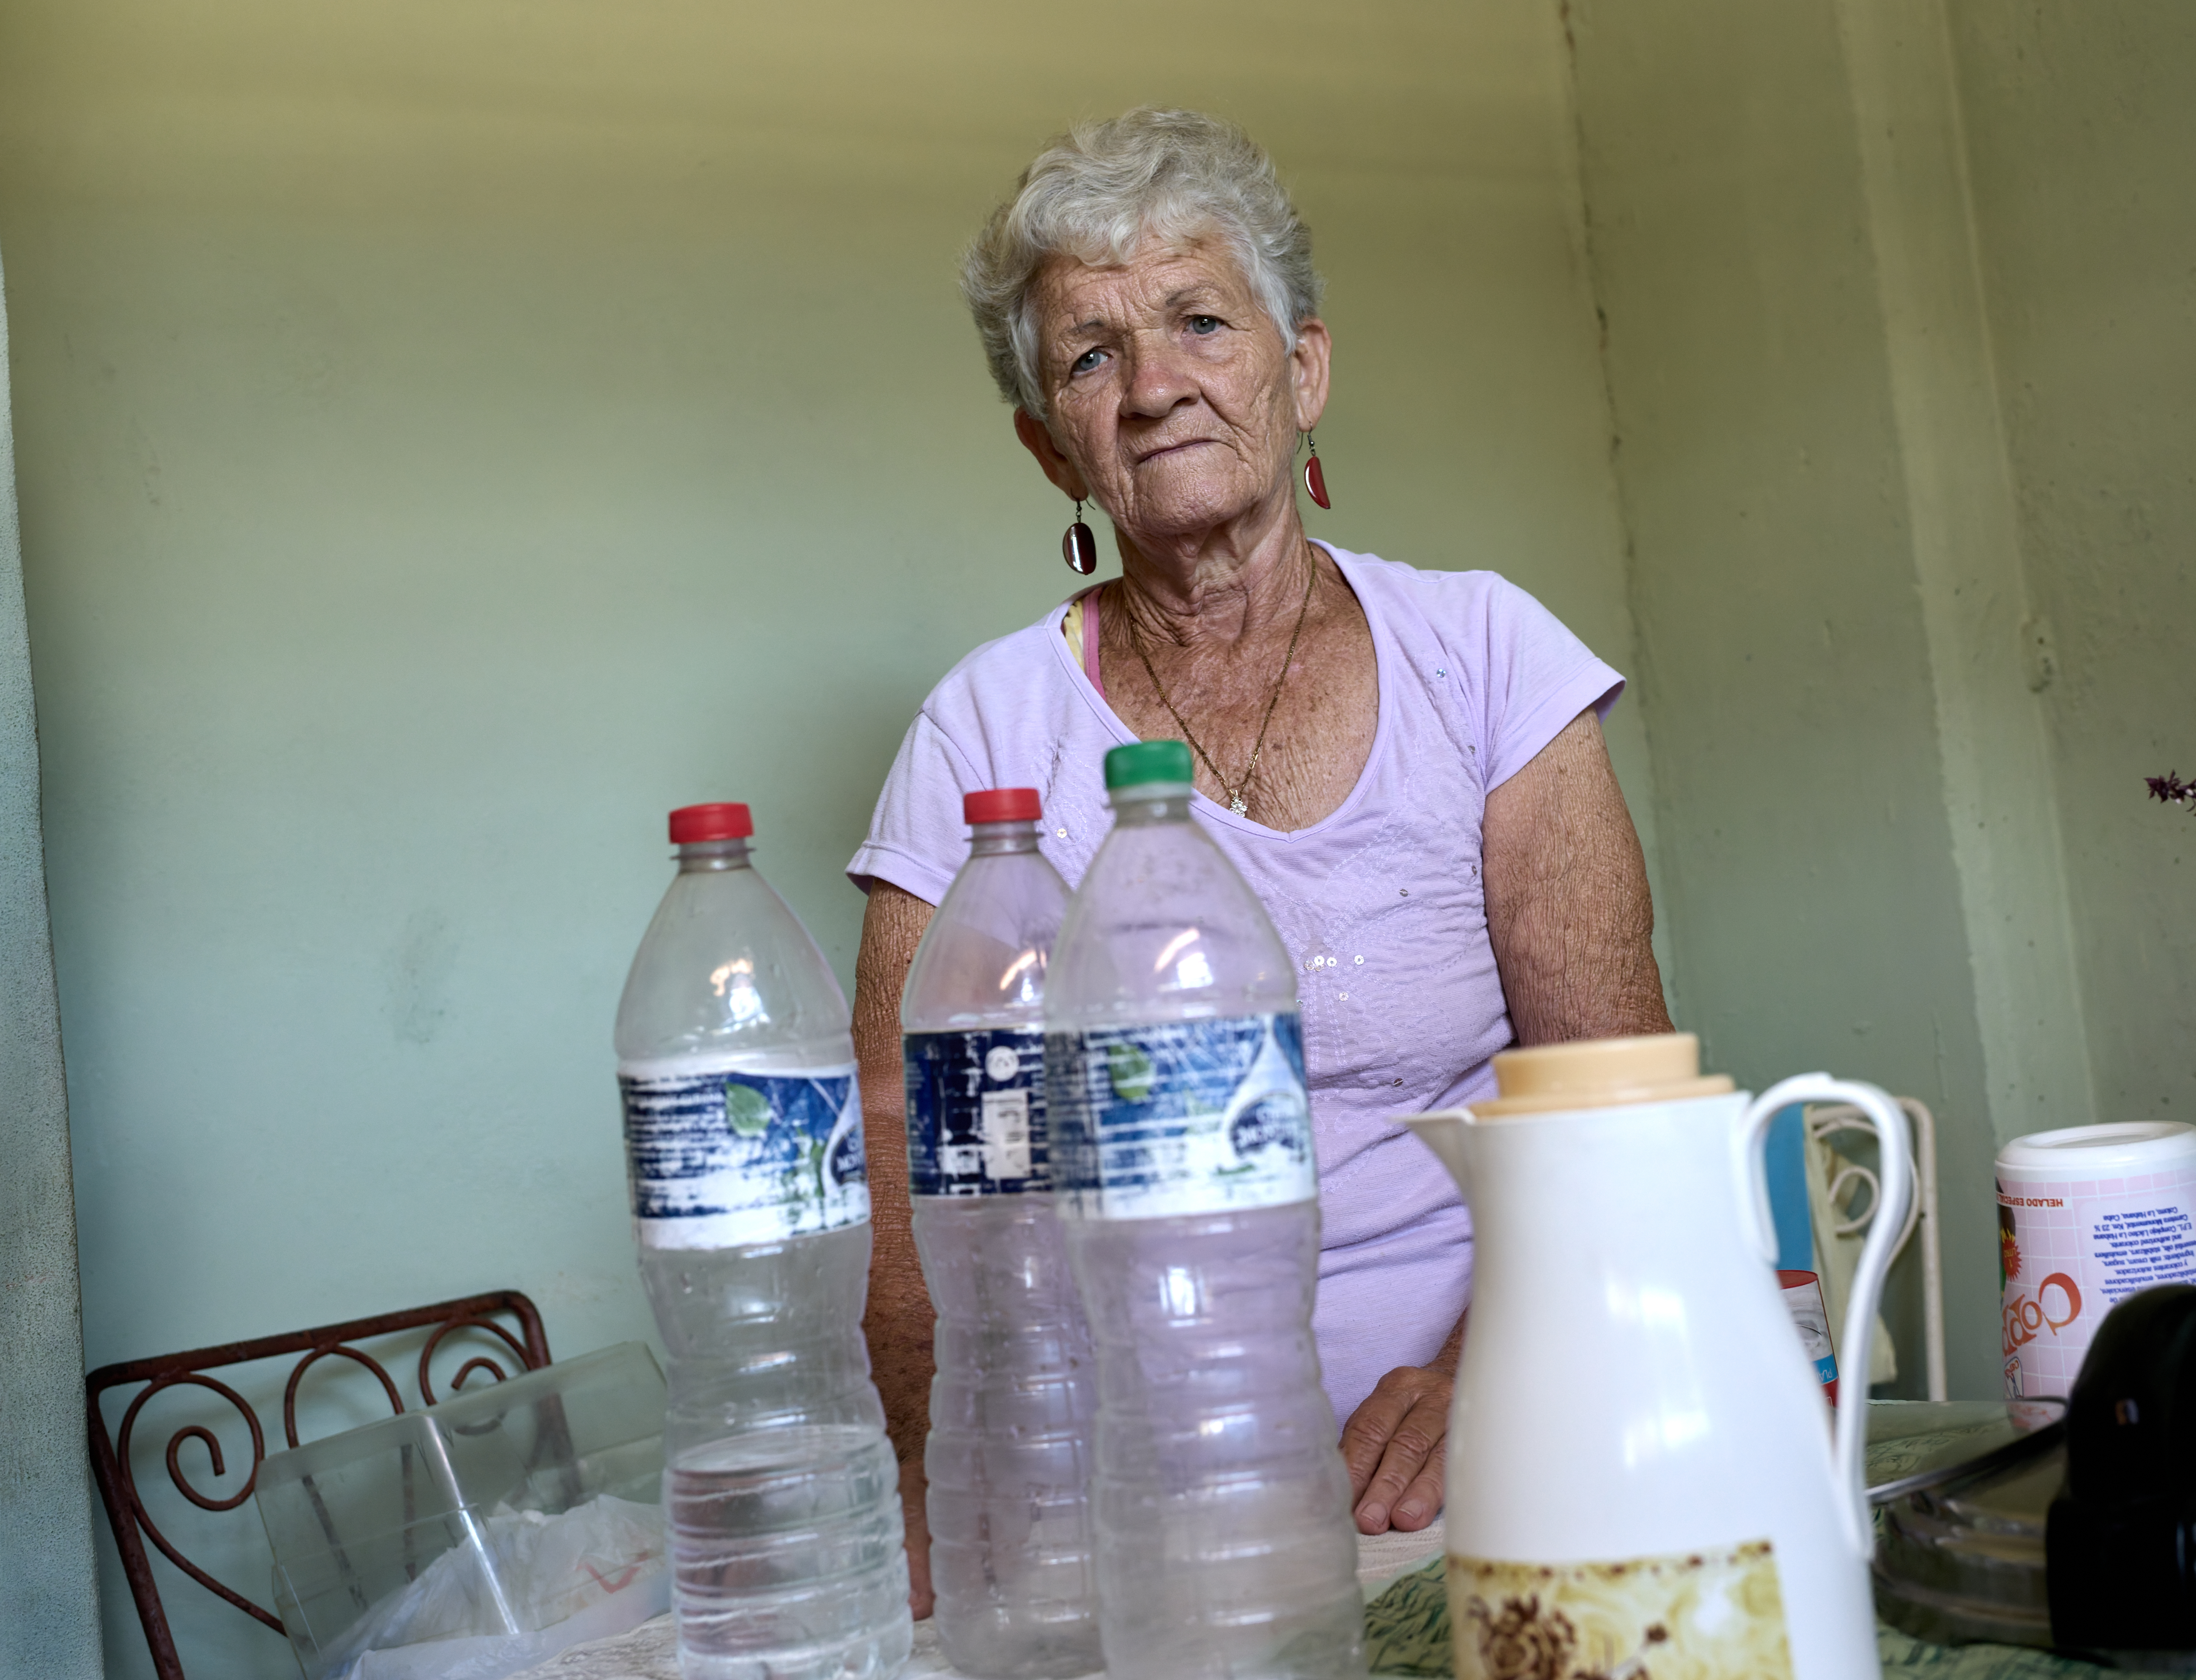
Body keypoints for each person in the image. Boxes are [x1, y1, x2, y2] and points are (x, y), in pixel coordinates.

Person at [846, 107, 1672, 1616]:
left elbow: (1608, 1095)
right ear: (1050, 450)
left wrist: (1487, 1373)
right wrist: (944, 1492)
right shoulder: (981, 729)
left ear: (1303, 371)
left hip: (1487, 1425)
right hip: (1130, 1498)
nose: (1153, 385)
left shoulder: (1485, 656)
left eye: (1198, 320)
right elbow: (906, 1183)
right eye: (1089, 356)